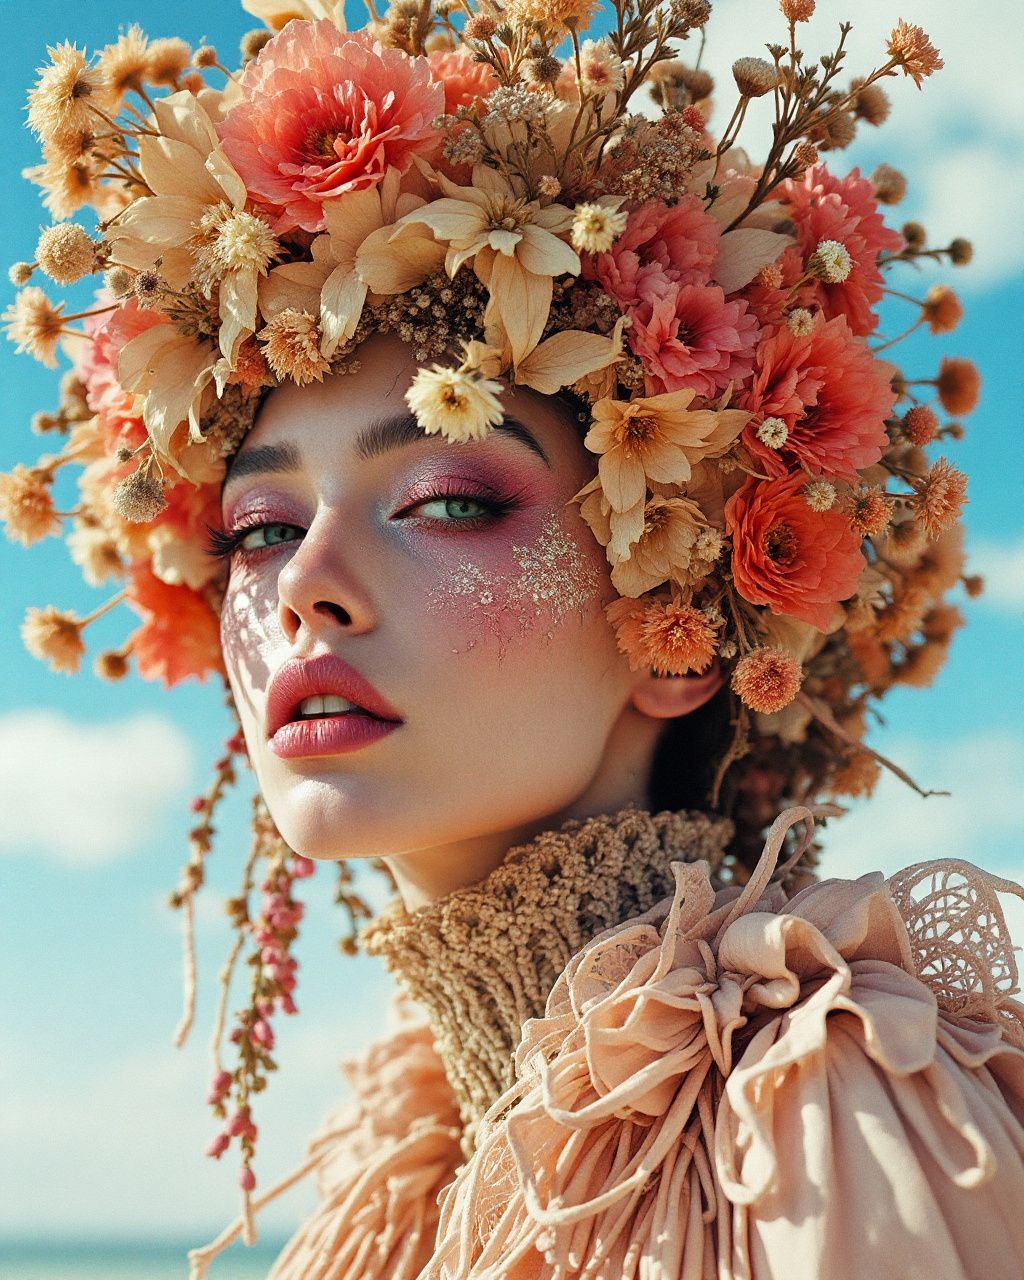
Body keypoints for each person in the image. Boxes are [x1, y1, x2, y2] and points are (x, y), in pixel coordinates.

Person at [2, 1, 1021, 1277]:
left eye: (448, 500)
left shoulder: (832, 1111)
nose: (308, 584)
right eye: (258, 527)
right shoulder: (396, 1172)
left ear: (676, 632)